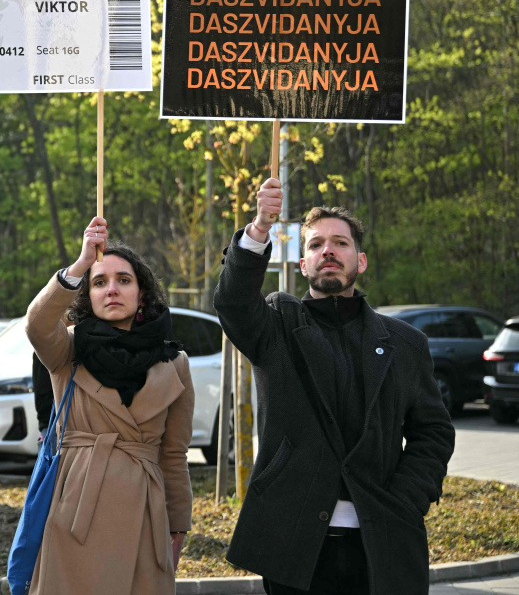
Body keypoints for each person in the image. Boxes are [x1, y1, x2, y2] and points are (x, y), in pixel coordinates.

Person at [215, 179, 455, 595]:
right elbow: (233, 303)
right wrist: (259, 228)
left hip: (382, 542)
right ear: (304, 265)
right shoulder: (277, 328)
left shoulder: (405, 343)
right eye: (315, 245)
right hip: (294, 545)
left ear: (360, 262)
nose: (328, 250)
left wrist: (406, 499)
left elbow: (432, 432)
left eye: (340, 243)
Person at [24, 217, 194, 595]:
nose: (112, 289)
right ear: (88, 294)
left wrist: (177, 525)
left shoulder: (175, 363)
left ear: (142, 295)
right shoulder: (67, 350)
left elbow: (174, 454)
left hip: (146, 517)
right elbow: (36, 324)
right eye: (100, 282)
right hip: (74, 512)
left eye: (124, 280)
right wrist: (80, 265)